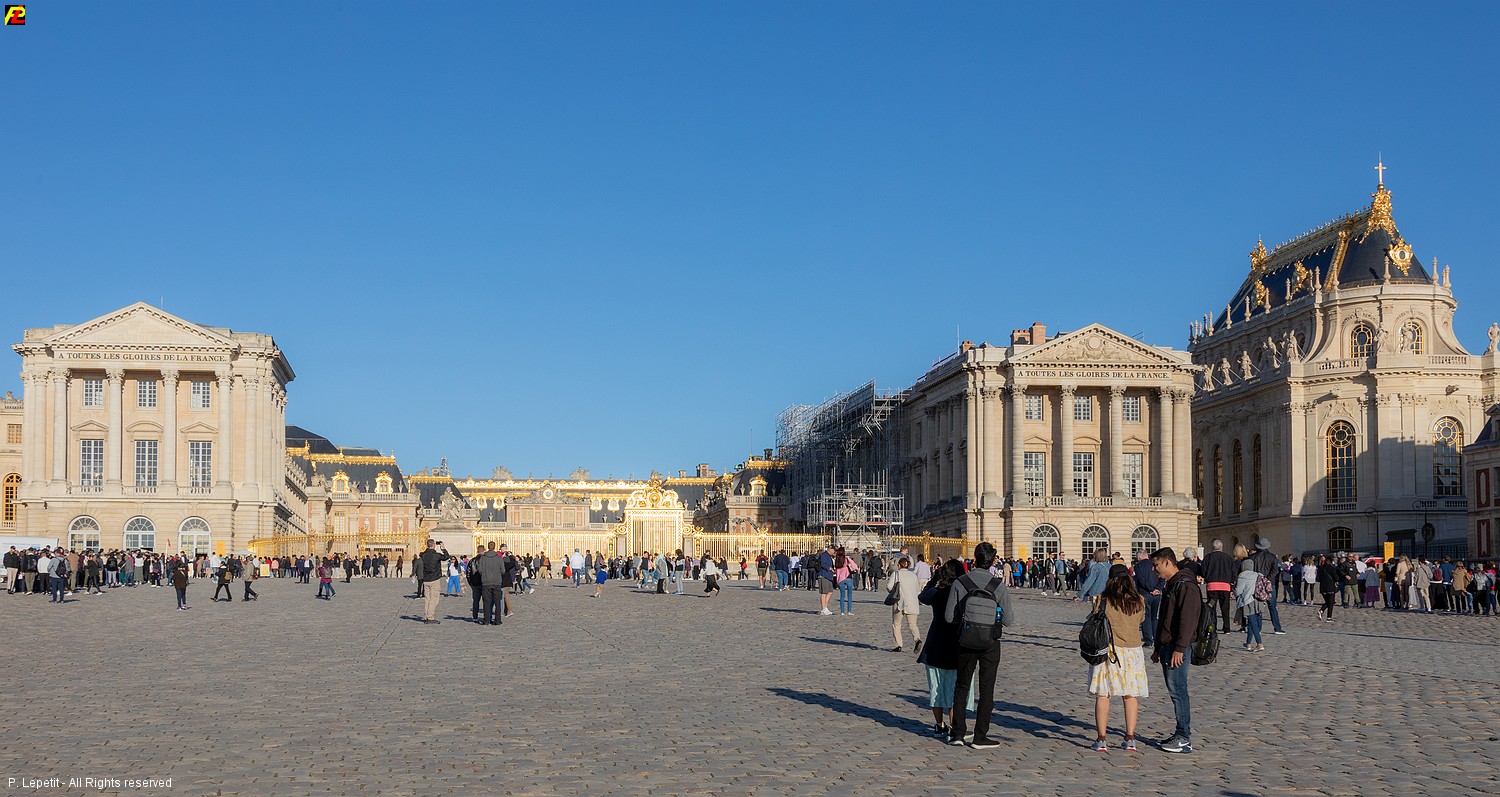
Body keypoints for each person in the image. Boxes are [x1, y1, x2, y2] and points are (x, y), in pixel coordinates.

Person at [944, 541, 1014, 750]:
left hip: (966, 640)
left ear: (974, 559)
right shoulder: (998, 586)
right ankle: (980, 736)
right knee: (986, 690)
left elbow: (949, 617)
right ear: (992, 562)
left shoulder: (961, 582)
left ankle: (958, 733)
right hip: (990, 642)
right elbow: (1009, 621)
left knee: (962, 687)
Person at [1088, 564, 1148, 752]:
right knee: (1130, 695)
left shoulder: (1102, 600)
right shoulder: (1139, 600)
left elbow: (1094, 618)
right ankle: (1130, 738)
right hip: (1132, 651)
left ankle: (1101, 739)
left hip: (1108, 651)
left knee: (1103, 694)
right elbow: (1141, 620)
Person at [1149, 547, 1199, 754]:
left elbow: (1188, 620)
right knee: (1174, 690)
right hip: (1167, 645)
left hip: (1177, 647)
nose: (1154, 570)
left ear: (1167, 562)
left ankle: (1184, 736)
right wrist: (1158, 647)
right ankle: (1180, 732)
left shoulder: (1186, 586)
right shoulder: (1172, 584)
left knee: (1178, 690)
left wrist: (1180, 648)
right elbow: (1164, 619)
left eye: (1156, 565)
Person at [918, 559, 975, 738]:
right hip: (955, 642)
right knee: (953, 687)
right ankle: (954, 726)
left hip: (935, 642)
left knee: (936, 686)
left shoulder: (937, 592)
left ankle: (939, 725)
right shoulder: (962, 592)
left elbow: (922, 596)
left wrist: (934, 578)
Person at [885, 556, 922, 653]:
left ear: (898, 565)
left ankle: (898, 645)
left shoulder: (896, 574)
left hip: (899, 603)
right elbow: (918, 590)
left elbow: (889, 587)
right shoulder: (913, 575)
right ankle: (917, 639)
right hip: (912, 603)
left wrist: (893, 591)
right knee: (913, 625)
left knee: (896, 624)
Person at [1201, 540, 1235, 633]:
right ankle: (1226, 628)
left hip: (1212, 587)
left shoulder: (1208, 557)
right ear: (1222, 547)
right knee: (1225, 608)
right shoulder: (1228, 558)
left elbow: (1203, 571)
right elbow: (1233, 572)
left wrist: (1206, 577)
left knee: (1212, 607)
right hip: (1225, 587)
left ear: (1213, 547)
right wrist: (1231, 581)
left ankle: (1213, 627)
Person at [1132, 550, 1163, 647]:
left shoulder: (1138, 566)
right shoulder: (1155, 564)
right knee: (1154, 617)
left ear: (1139, 557)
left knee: (1146, 617)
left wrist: (1151, 590)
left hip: (1145, 593)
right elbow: (1162, 577)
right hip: (1157, 594)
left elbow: (1141, 580)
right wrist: (1158, 588)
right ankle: (1156, 638)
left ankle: (1149, 640)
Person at [1234, 559, 1264, 652]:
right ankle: (1248, 643)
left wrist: (1234, 591)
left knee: (1252, 621)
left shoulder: (1242, 576)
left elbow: (1238, 591)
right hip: (1258, 600)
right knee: (1251, 623)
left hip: (1248, 600)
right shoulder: (1258, 575)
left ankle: (1259, 643)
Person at [419, 540, 448, 623]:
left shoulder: (423, 555)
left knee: (427, 599)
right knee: (434, 599)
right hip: (434, 579)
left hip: (426, 580)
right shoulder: (436, 555)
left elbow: (422, 553)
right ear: (434, 545)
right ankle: (430, 617)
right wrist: (443, 548)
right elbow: (446, 557)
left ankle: (426, 616)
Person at [834, 546, 859, 615]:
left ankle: (842, 612)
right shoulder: (846, 559)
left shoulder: (837, 560)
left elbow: (836, 570)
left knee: (842, 596)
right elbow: (855, 566)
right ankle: (849, 611)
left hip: (840, 579)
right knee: (849, 596)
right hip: (848, 577)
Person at [1316, 555, 1339, 621]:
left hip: (1323, 588)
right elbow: (1336, 578)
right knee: (1331, 602)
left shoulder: (1320, 568)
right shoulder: (1332, 568)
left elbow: (1318, 579)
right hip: (1330, 587)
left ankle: (1321, 611)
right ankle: (1329, 617)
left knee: (1328, 602)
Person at [816, 545, 837, 615]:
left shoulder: (829, 556)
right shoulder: (824, 555)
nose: (834, 552)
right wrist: (830, 568)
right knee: (824, 592)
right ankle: (823, 608)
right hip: (823, 575)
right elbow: (823, 564)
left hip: (829, 576)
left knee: (830, 591)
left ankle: (826, 607)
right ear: (830, 549)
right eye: (833, 550)